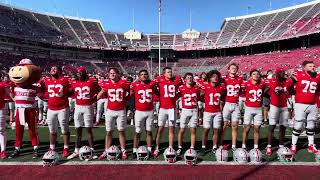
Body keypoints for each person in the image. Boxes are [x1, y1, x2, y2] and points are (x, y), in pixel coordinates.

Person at [98, 68, 130, 160]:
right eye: (111, 73)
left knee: (121, 131)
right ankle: (106, 150)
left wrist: (126, 100)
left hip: (121, 110)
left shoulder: (124, 83)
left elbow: (129, 92)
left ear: (118, 74)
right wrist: (94, 99)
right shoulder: (106, 83)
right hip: (110, 110)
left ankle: (123, 150)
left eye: (114, 73)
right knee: (108, 132)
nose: (112, 74)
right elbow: (102, 92)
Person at [67, 67, 99, 159]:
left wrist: (94, 99)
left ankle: (92, 150)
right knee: (78, 130)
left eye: (80, 72)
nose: (78, 74)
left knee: (89, 129)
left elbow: (100, 91)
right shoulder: (74, 82)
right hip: (78, 107)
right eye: (77, 72)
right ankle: (76, 150)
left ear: (85, 73)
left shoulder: (91, 82)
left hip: (88, 107)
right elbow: (69, 92)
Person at [153, 67, 182, 158]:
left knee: (171, 129)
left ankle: (170, 147)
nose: (170, 73)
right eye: (168, 72)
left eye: (171, 72)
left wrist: (176, 97)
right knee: (160, 129)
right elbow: (154, 87)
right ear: (164, 74)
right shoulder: (160, 79)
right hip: (162, 108)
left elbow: (182, 87)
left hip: (172, 109)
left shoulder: (176, 80)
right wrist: (160, 95)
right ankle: (157, 147)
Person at [290, 61, 319, 154]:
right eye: (310, 66)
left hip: (313, 104)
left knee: (311, 126)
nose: (313, 67)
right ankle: (293, 144)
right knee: (298, 126)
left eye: (314, 66)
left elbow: (318, 92)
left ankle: (311, 144)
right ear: (304, 68)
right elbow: (290, 82)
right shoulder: (298, 74)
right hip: (300, 104)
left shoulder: (317, 77)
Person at [44, 66, 71, 157]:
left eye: (55, 69)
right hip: (51, 108)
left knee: (64, 129)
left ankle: (66, 147)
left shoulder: (65, 80)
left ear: (60, 71)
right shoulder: (47, 81)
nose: (52, 70)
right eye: (52, 69)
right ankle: (52, 147)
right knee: (52, 130)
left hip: (63, 108)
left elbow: (71, 90)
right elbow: (42, 91)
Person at [265, 68, 292, 156]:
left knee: (283, 127)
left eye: (283, 72)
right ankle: (269, 146)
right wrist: (270, 97)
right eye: (280, 72)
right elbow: (264, 91)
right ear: (276, 74)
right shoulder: (271, 81)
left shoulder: (287, 81)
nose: (283, 73)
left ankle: (281, 145)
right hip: (274, 106)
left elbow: (291, 89)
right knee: (272, 126)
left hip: (284, 106)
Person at [130, 70, 156, 159]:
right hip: (139, 111)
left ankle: (149, 150)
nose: (144, 76)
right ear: (139, 76)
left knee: (149, 131)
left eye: (145, 74)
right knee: (138, 132)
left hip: (150, 111)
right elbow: (131, 94)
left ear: (148, 75)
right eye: (142, 74)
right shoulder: (135, 84)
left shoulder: (152, 84)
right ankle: (134, 150)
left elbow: (157, 92)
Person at [200, 70, 225, 155]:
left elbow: (223, 97)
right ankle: (203, 147)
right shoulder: (205, 87)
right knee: (206, 130)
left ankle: (214, 146)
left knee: (216, 130)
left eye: (217, 76)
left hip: (217, 112)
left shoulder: (221, 87)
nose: (216, 78)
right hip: (207, 111)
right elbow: (200, 95)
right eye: (213, 76)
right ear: (210, 78)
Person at [177, 73, 201, 155]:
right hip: (185, 110)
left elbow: (201, 93)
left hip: (194, 110)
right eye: (188, 78)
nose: (190, 79)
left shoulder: (196, 88)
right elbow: (176, 96)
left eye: (191, 77)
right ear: (185, 79)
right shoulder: (181, 88)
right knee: (182, 129)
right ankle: (180, 147)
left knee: (193, 130)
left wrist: (199, 85)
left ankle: (192, 147)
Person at [241, 69, 265, 149]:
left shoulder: (262, 83)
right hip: (249, 108)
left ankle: (256, 146)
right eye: (254, 74)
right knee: (247, 128)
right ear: (251, 76)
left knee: (257, 128)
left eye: (257, 74)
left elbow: (267, 88)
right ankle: (244, 145)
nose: (256, 75)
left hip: (258, 109)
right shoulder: (246, 83)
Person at [221, 63, 243, 151]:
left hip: (236, 104)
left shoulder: (240, 79)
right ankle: (220, 142)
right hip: (227, 103)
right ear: (228, 69)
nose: (234, 69)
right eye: (232, 68)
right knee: (224, 125)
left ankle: (234, 145)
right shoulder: (224, 79)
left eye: (235, 68)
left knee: (235, 126)